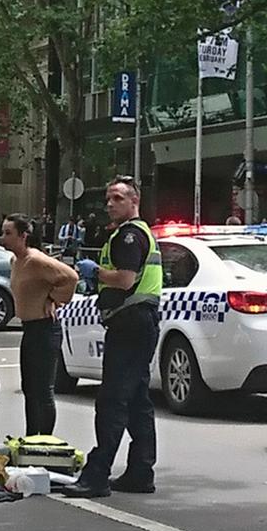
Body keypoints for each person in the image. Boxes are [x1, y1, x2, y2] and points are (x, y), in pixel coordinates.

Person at [61, 176, 163, 498]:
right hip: (136, 325)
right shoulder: (129, 233)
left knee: (112, 401)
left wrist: (95, 273)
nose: (109, 204)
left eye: (117, 198)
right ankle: (140, 471)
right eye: (107, 198)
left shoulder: (130, 236)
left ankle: (97, 475)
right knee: (136, 401)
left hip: (131, 325)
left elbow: (125, 279)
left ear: (134, 201)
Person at [2, 213, 78, 436]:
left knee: (43, 390)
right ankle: (31, 436)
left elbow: (70, 277)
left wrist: (53, 298)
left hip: (45, 329)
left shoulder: (36, 260)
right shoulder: (15, 261)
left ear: (23, 236)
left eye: (8, 233)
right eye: (3, 232)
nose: (3, 238)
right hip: (29, 328)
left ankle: (43, 441)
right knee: (30, 389)